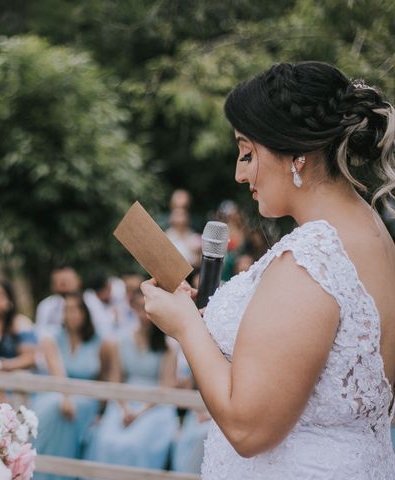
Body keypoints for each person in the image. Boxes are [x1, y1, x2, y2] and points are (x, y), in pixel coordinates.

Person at [141, 61, 395, 479]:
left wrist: (186, 328)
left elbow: (248, 427)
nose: (240, 173)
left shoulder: (312, 259)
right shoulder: (370, 231)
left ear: (297, 152)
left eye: (247, 152)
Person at [85, 290, 178, 470]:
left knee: (135, 444)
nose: (144, 314)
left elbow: (167, 387)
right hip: (124, 400)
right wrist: (124, 408)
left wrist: (139, 412)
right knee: (105, 441)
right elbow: (115, 379)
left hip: (155, 405)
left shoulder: (168, 346)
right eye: (138, 308)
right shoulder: (122, 340)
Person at [33, 292, 112, 480]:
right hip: (59, 392)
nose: (72, 314)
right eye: (67, 310)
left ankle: (60, 474)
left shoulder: (100, 341)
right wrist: (66, 397)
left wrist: (103, 411)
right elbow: (57, 372)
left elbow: (105, 378)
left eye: (77, 309)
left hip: (86, 398)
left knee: (65, 410)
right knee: (53, 407)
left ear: (85, 313)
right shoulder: (52, 338)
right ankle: (40, 471)